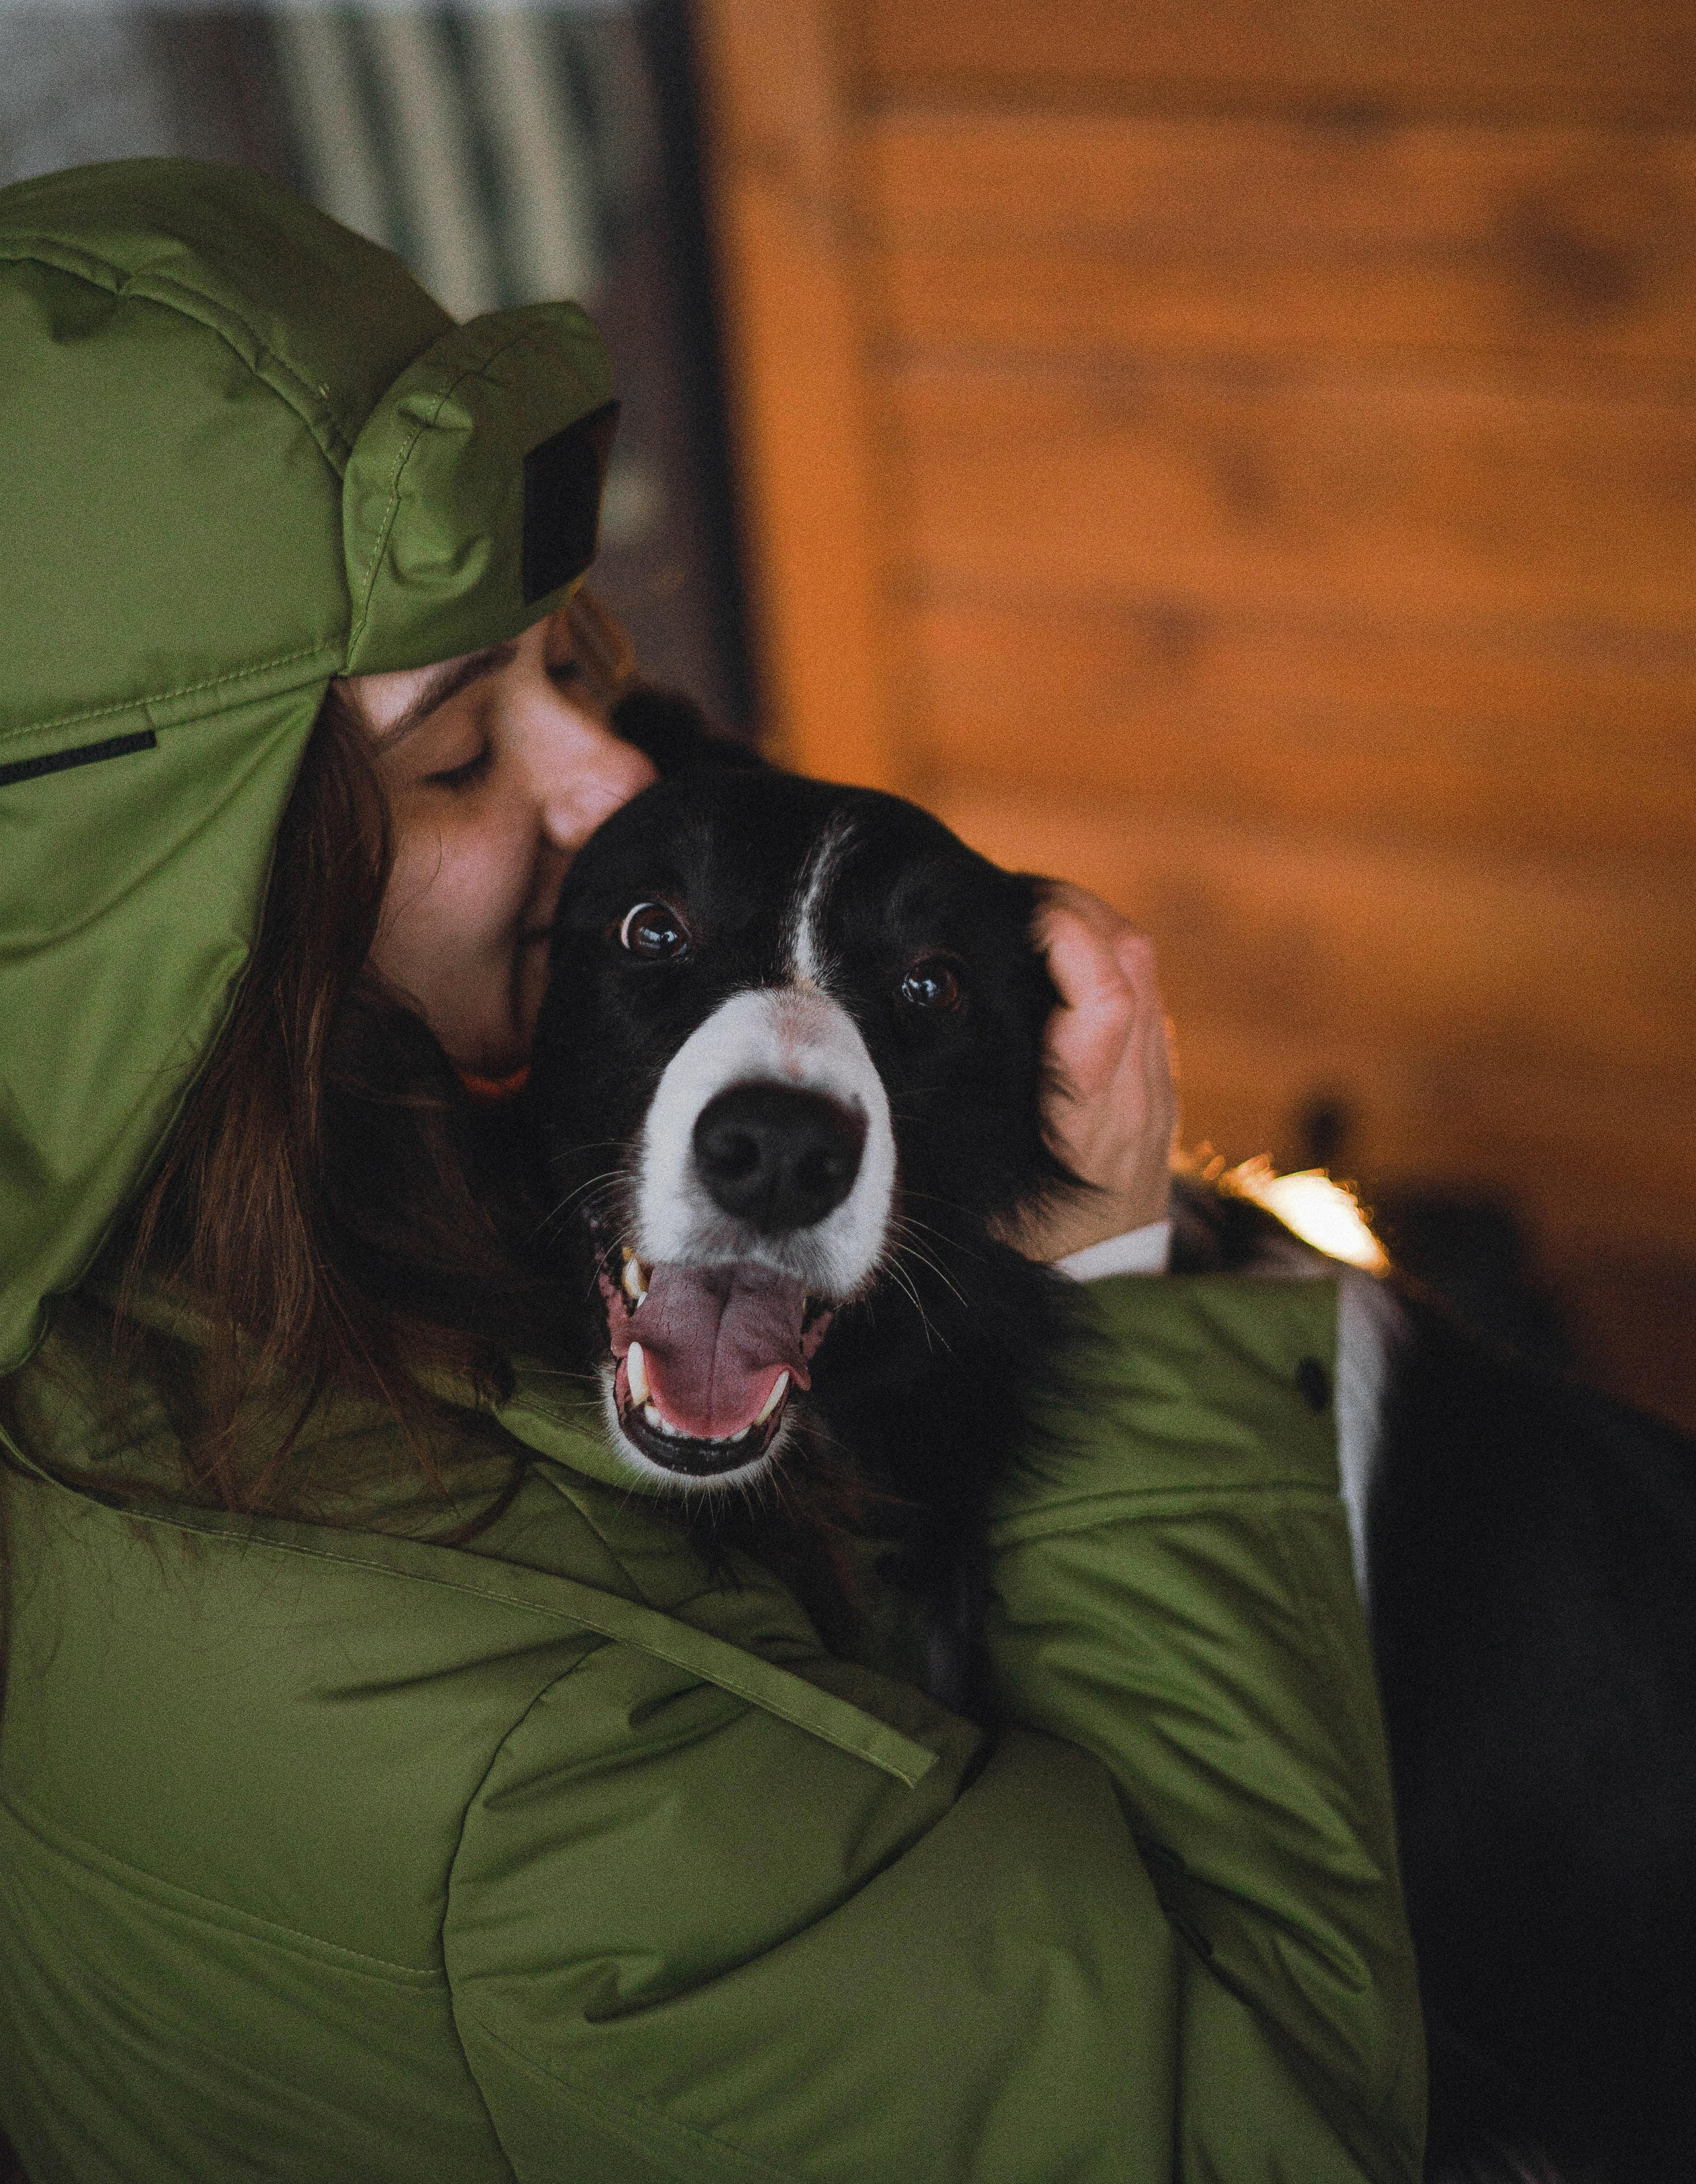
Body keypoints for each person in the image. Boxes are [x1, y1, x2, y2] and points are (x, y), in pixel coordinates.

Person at [0, 161, 1424, 2183]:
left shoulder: (215, 1271)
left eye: (573, 667)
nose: (617, 788)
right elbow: (1278, 2124)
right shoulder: (512, 1755)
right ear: (186, 922)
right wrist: (1117, 1278)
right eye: (454, 755)